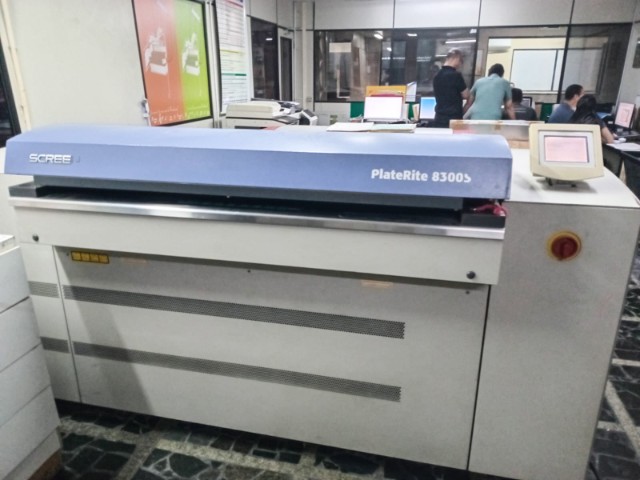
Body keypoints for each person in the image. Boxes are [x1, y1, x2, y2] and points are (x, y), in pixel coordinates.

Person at [432, 49, 469, 128]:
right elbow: (466, 95)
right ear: (457, 58)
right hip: (453, 118)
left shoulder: (437, 76)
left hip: (439, 117)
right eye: (461, 61)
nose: (460, 65)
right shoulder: (456, 75)